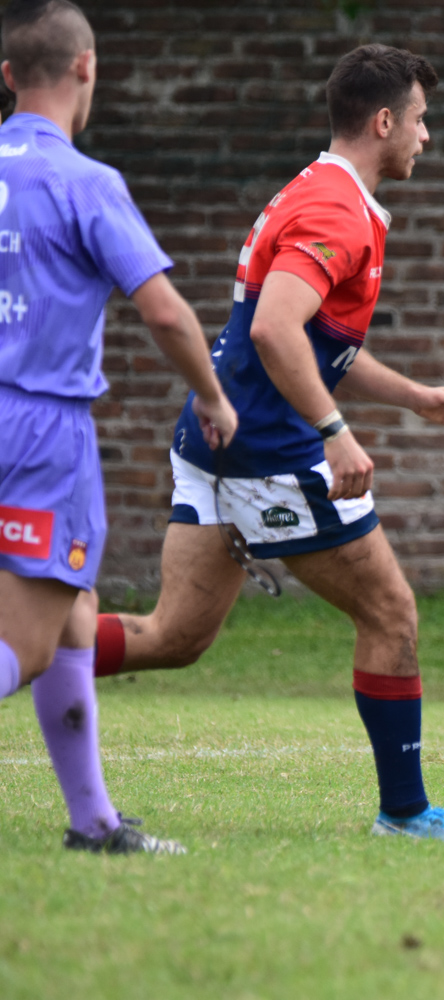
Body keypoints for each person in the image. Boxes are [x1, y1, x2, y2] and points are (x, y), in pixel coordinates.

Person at [90, 45, 444, 842]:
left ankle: (29, 645)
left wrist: (415, 397)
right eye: (420, 120)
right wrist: (334, 433)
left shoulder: (320, 191)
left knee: (174, 636)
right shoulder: (335, 211)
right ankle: (404, 813)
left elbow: (309, 342)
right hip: (271, 452)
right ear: (384, 121)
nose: (427, 136)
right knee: (391, 614)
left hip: (216, 437)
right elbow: (276, 329)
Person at [0, 0, 236, 854]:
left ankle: (93, 821)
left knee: (73, 616)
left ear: (7, 77)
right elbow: (165, 311)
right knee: (25, 644)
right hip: (37, 429)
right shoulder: (83, 181)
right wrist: (211, 396)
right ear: (87, 67)